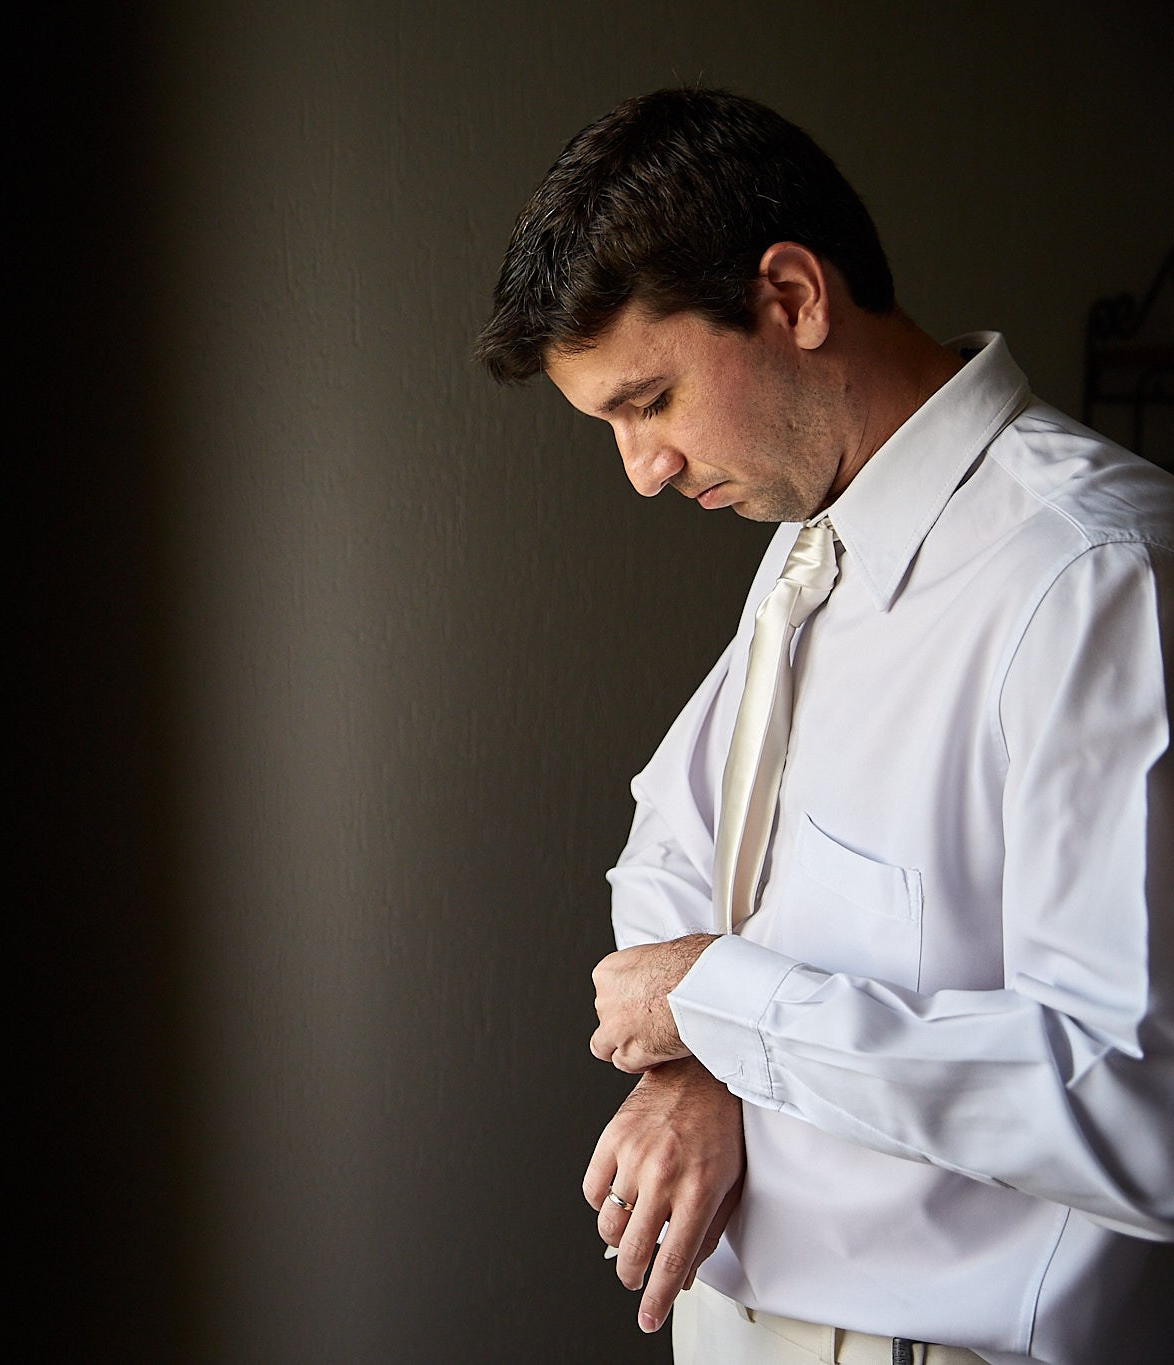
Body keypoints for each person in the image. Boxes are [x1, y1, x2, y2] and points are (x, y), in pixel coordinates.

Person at [473, 88, 1173, 1364]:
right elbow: (672, 850)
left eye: (649, 401)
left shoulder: (1096, 576)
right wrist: (693, 1062)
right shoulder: (812, 537)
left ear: (791, 298)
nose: (642, 470)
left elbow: (1136, 1107)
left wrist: (725, 1014)